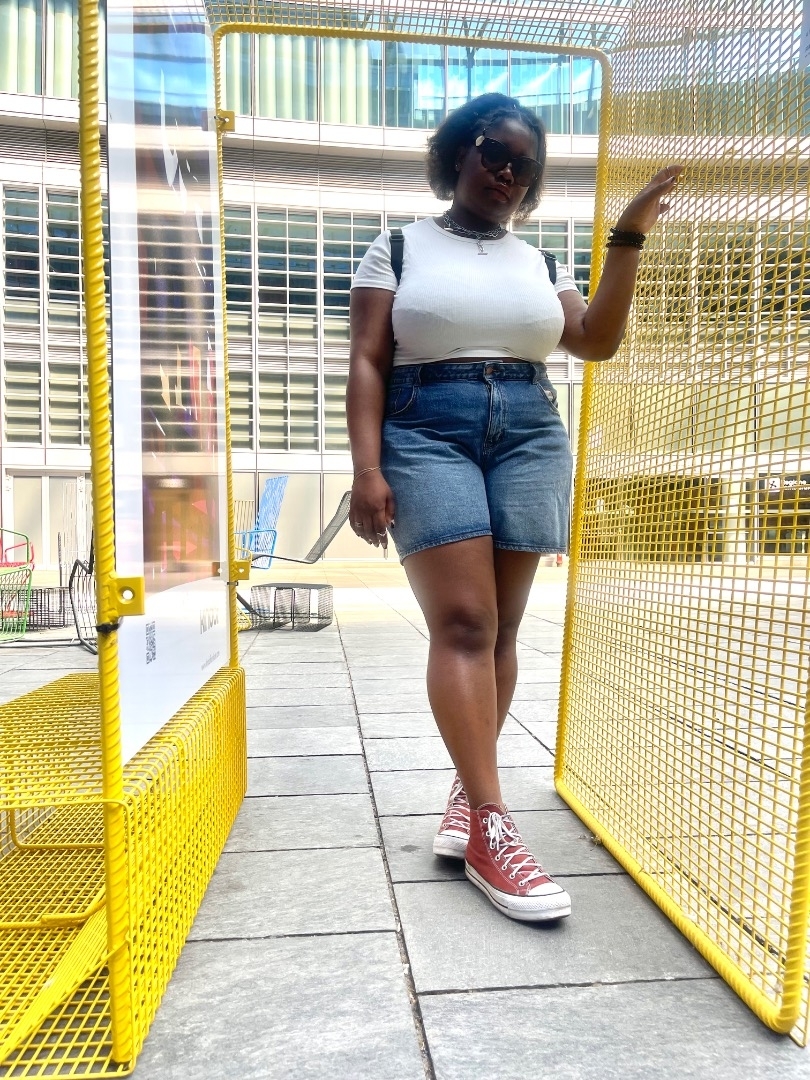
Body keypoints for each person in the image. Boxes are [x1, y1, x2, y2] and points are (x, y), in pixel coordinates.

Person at [346, 92, 682, 923]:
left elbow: (595, 341)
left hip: (530, 430)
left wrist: (627, 236)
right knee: (464, 623)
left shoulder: (542, 262)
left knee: (501, 630)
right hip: (426, 427)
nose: (507, 172)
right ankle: (493, 831)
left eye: (523, 166)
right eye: (494, 152)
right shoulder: (398, 246)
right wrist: (366, 469)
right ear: (459, 151)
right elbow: (368, 361)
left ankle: (470, 794)